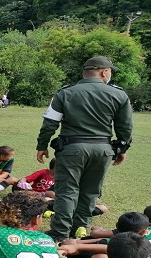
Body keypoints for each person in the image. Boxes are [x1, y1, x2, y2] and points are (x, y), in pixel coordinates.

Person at [36, 56, 133, 242]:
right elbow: (125, 127)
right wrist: (122, 148)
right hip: (103, 149)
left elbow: (50, 123)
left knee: (67, 191)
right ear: (104, 72)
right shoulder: (119, 95)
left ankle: (60, 232)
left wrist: (42, 145)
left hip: (71, 149)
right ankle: (80, 228)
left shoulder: (65, 93)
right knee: (90, 191)